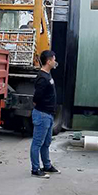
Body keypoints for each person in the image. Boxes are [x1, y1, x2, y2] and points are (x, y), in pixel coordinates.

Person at [31, 50, 60, 178]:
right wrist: (40, 107)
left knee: (46, 142)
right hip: (42, 115)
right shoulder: (42, 77)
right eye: (54, 59)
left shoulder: (47, 75)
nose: (55, 61)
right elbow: (37, 97)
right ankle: (35, 169)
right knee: (37, 143)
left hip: (48, 114)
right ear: (48, 61)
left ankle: (47, 165)